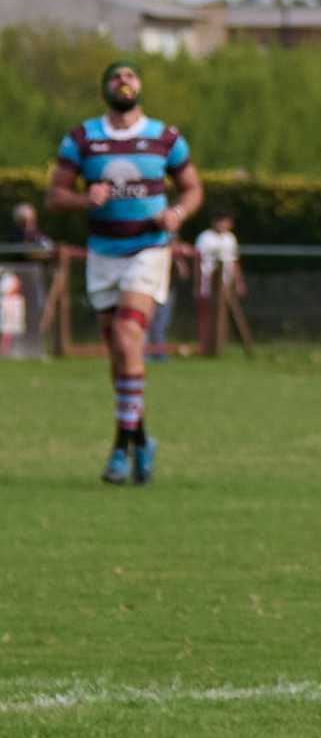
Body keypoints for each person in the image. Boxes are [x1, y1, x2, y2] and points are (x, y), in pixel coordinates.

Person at [45, 60, 201, 486]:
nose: (124, 81)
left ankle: (118, 447)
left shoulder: (165, 137)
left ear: (140, 87)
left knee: (129, 338)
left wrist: (178, 212)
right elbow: (54, 196)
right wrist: (83, 200)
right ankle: (142, 439)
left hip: (148, 250)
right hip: (103, 254)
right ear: (105, 87)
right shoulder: (83, 138)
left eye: (131, 76)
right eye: (116, 76)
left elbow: (193, 187)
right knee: (119, 355)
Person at [194, 211, 245, 356]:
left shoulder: (230, 239)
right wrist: (197, 283)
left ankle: (219, 346)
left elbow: (234, 262)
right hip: (208, 281)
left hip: (225, 283)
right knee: (208, 315)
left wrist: (239, 283)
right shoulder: (205, 238)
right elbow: (198, 261)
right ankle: (206, 346)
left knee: (223, 315)